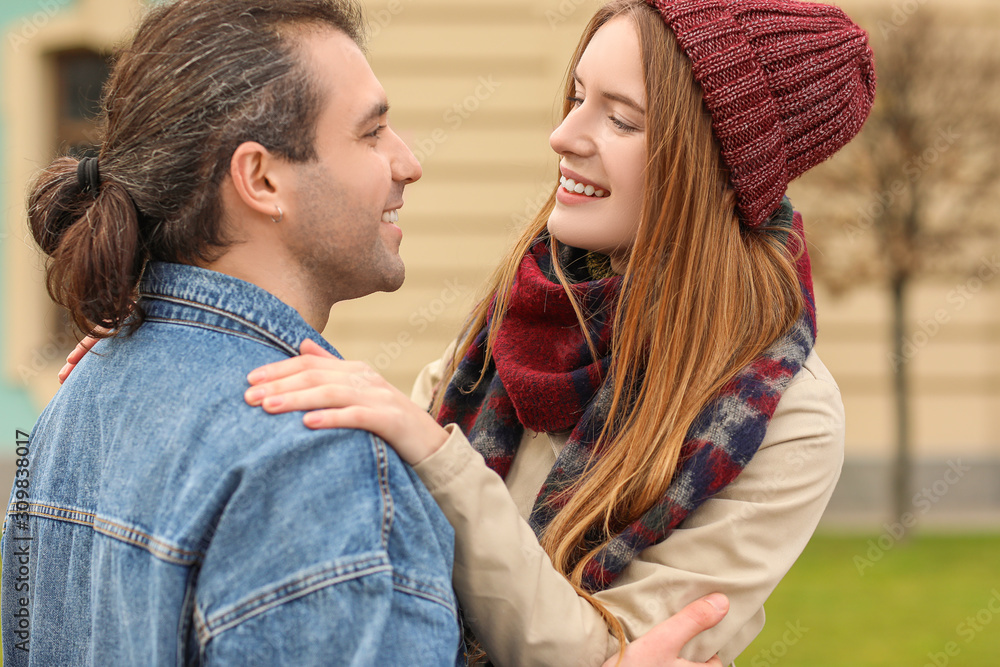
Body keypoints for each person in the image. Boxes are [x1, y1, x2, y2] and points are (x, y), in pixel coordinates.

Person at [9, 0, 731, 665]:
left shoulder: (76, 402)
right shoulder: (321, 466)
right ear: (261, 180)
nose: (407, 163)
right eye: (371, 131)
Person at [238, 1, 876, 666]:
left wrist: (434, 451)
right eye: (575, 97)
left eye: (621, 118)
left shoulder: (786, 414)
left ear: (709, 168)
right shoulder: (534, 299)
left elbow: (606, 651)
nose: (565, 134)